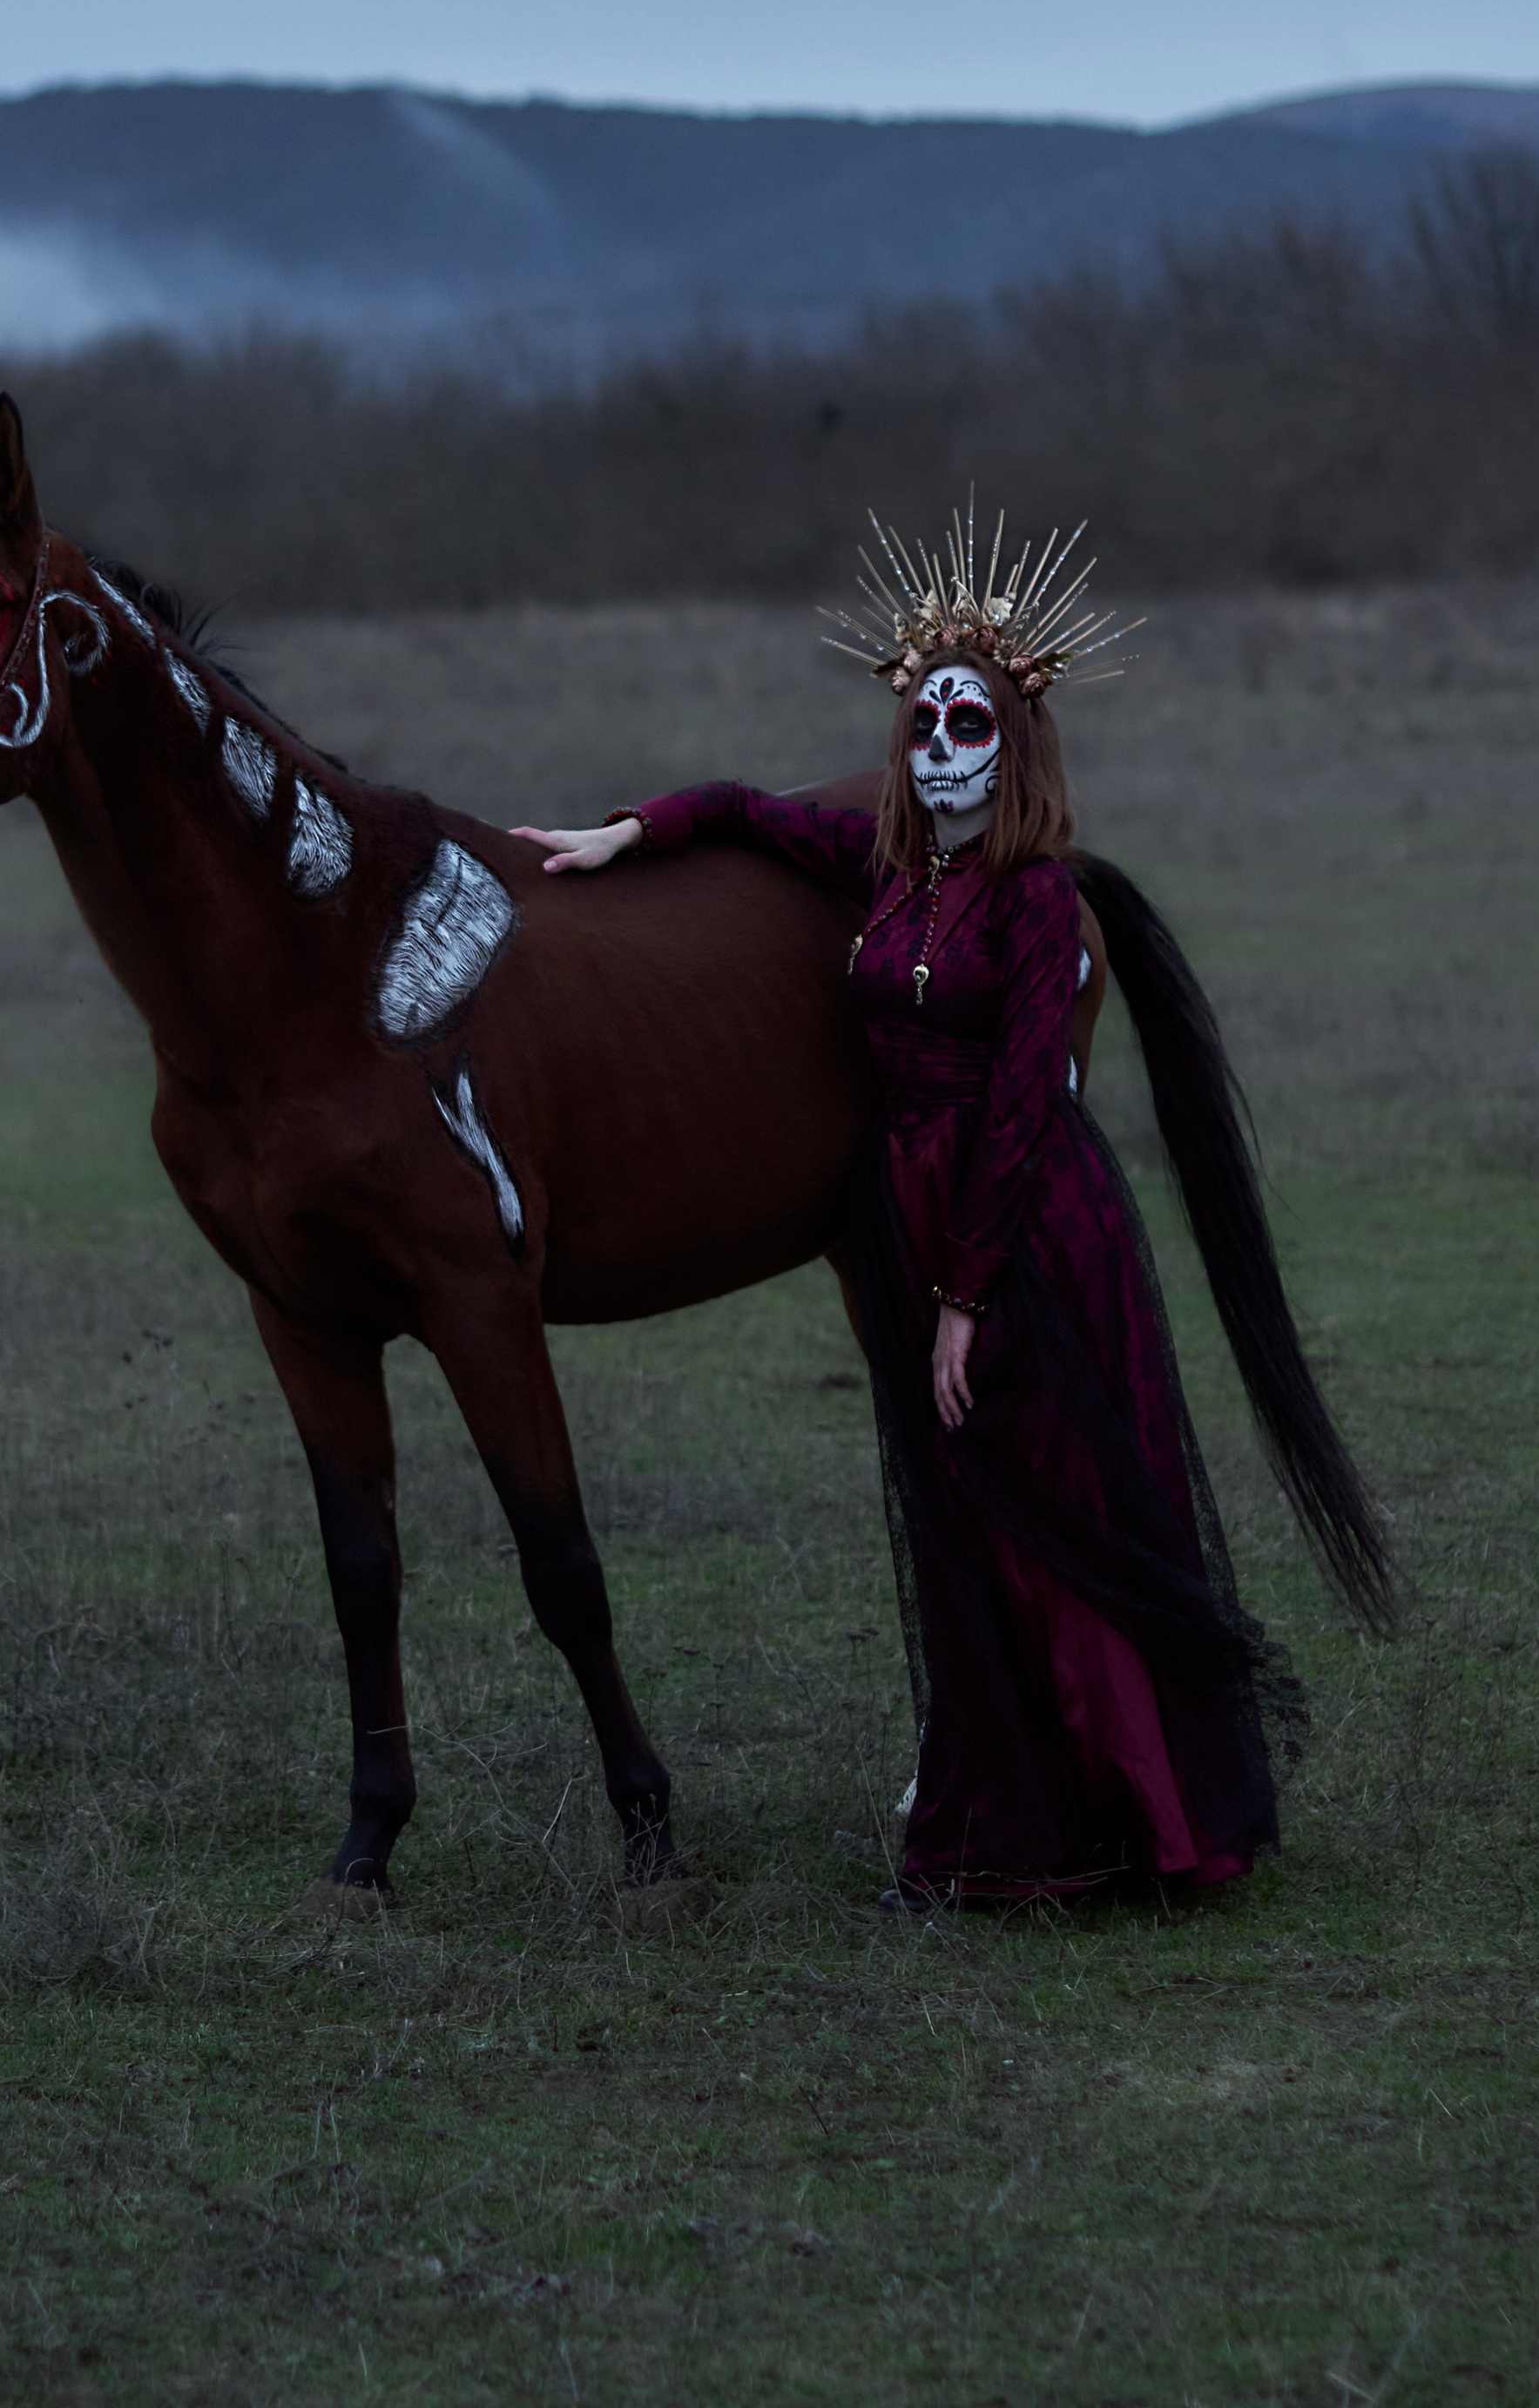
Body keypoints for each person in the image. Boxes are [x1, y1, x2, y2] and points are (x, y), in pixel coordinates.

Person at [515, 506, 1388, 1909]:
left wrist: (965, 1302)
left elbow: (1027, 1110)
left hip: (1025, 1222)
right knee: (964, 1521)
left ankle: (1136, 1820)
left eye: (965, 726)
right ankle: (1002, 1801)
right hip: (908, 1213)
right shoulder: (890, 869)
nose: (935, 750)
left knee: (1060, 1504)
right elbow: (746, 812)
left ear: (1018, 745)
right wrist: (627, 831)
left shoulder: (1033, 904)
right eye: (921, 726)